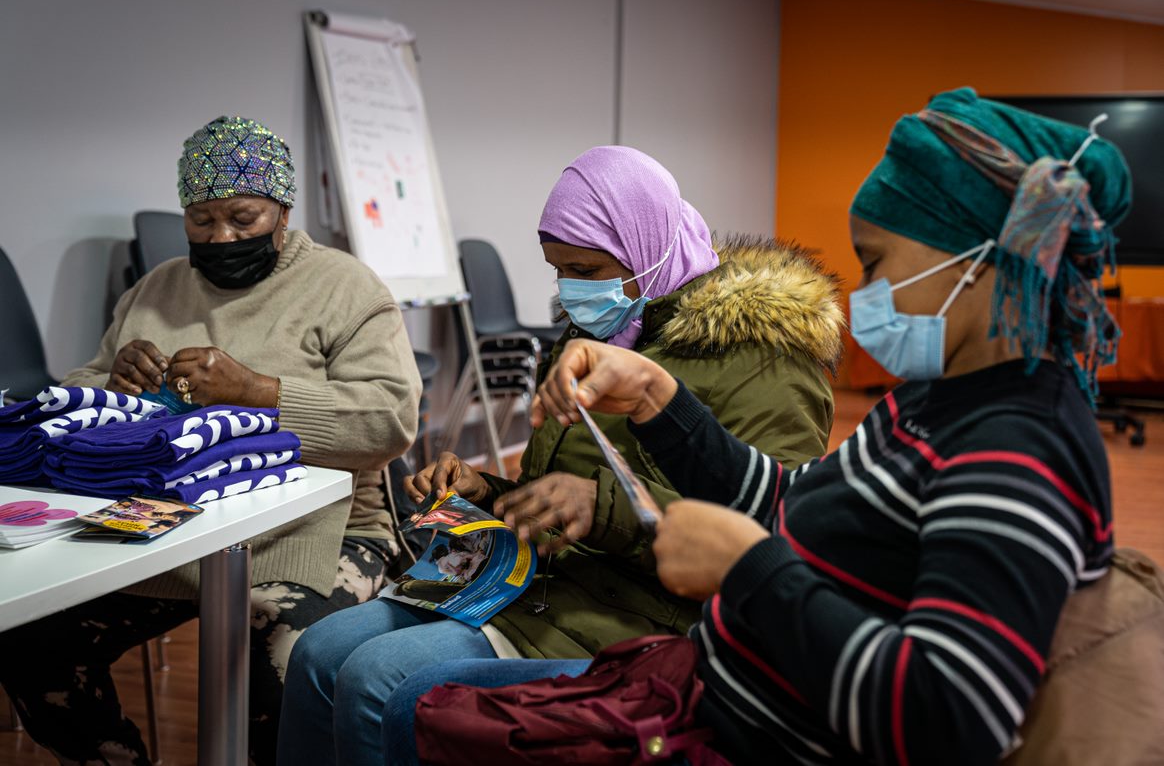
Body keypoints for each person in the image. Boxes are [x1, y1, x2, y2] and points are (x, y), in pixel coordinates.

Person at [375, 87, 1132, 765]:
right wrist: (658, 400)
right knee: (420, 707)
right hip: (712, 697)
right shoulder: (941, 399)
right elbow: (791, 497)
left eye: (875, 262)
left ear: (983, 263)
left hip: (747, 731)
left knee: (407, 704)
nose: (863, 289)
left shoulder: (1013, 449)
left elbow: (946, 718)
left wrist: (750, 570)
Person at [277, 145, 844, 765]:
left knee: (379, 679)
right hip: (541, 582)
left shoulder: (764, 361)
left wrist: (596, 508)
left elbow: (764, 535)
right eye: (558, 270)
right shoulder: (601, 327)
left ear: (647, 249)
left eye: (587, 269)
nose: (571, 290)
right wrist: (488, 490)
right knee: (320, 651)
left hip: (647, 619)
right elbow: (559, 492)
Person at [0, 116, 422, 765]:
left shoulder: (346, 288)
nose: (221, 236)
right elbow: (81, 386)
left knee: (275, 656)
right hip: (168, 528)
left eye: (242, 217)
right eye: (201, 220)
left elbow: (389, 420)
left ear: (283, 213)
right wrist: (115, 382)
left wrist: (264, 392)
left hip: (320, 532)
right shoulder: (156, 288)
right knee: (31, 640)